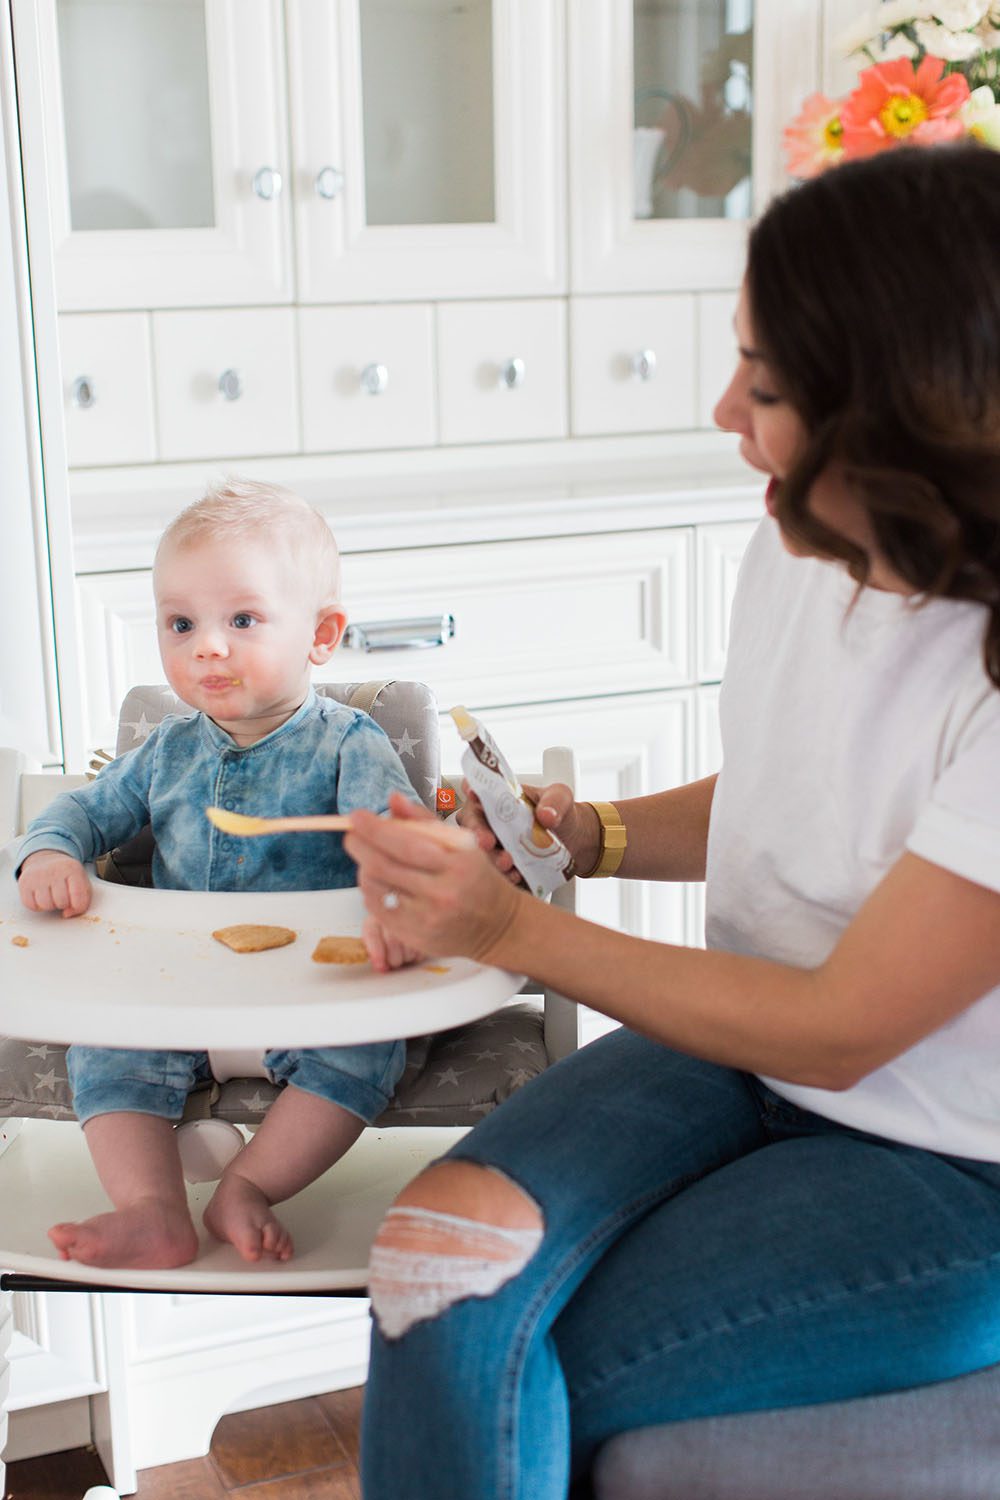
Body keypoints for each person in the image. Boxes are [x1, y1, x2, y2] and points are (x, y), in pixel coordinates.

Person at [344, 142, 1000, 1499]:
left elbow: (848, 1023)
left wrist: (509, 927)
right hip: (742, 1053)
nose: (722, 411)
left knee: (517, 1361)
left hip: (950, 1157)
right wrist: (589, 838)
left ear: (896, 421)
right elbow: (795, 792)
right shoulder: (798, 547)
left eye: (763, 387)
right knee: (433, 1263)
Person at [17, 478, 421, 1271]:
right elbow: (79, 810)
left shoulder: (349, 745)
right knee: (103, 1048)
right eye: (181, 623)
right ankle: (152, 1210)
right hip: (177, 991)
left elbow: (398, 842)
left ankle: (249, 1186)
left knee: (368, 1052)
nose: (207, 644)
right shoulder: (166, 752)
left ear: (321, 634)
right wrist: (51, 854)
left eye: (241, 620)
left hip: (310, 992)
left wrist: (394, 903)